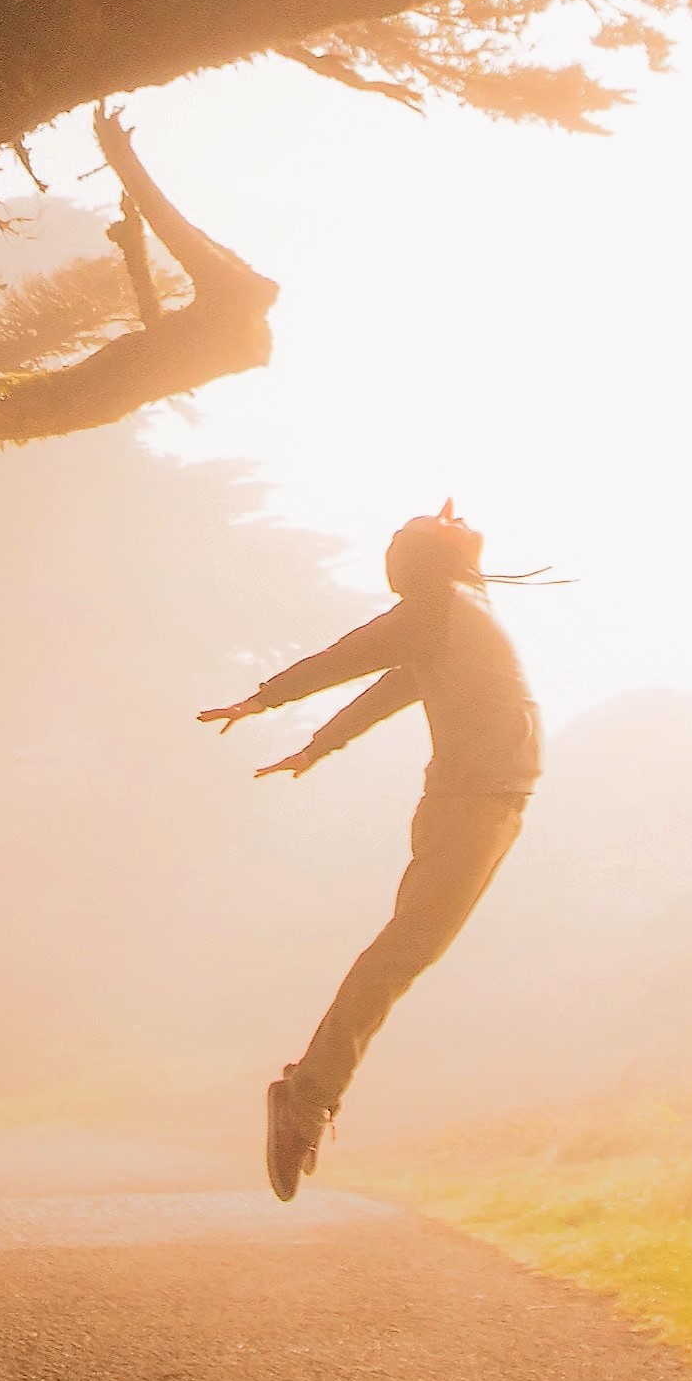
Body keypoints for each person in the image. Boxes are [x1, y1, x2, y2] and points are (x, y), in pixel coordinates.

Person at [199, 501, 541, 1202]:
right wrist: (266, 699)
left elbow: (391, 687)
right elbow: (347, 657)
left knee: (406, 954)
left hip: (495, 807)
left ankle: (309, 1091)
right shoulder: (440, 605)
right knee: (400, 953)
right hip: (470, 807)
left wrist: (318, 744)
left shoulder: (455, 610)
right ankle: (306, 1096)